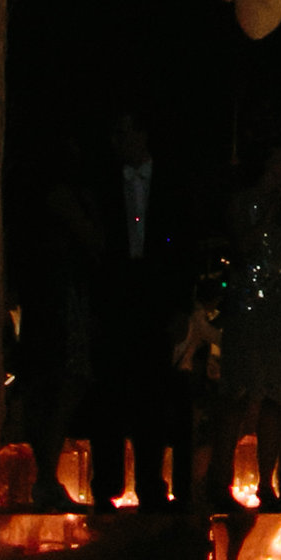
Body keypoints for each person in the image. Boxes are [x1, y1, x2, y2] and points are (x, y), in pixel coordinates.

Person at [81, 109, 195, 507]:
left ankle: (149, 482)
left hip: (155, 294)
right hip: (116, 293)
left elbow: (183, 245)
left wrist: (181, 305)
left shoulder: (170, 182)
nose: (118, 142)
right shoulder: (104, 183)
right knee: (110, 393)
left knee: (152, 393)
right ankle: (107, 482)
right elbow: (95, 250)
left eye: (124, 132)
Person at [211, 137, 281, 509]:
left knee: (275, 396)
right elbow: (242, 246)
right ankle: (219, 479)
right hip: (247, 304)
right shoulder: (243, 201)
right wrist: (268, 213)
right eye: (278, 163)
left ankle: (267, 484)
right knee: (238, 393)